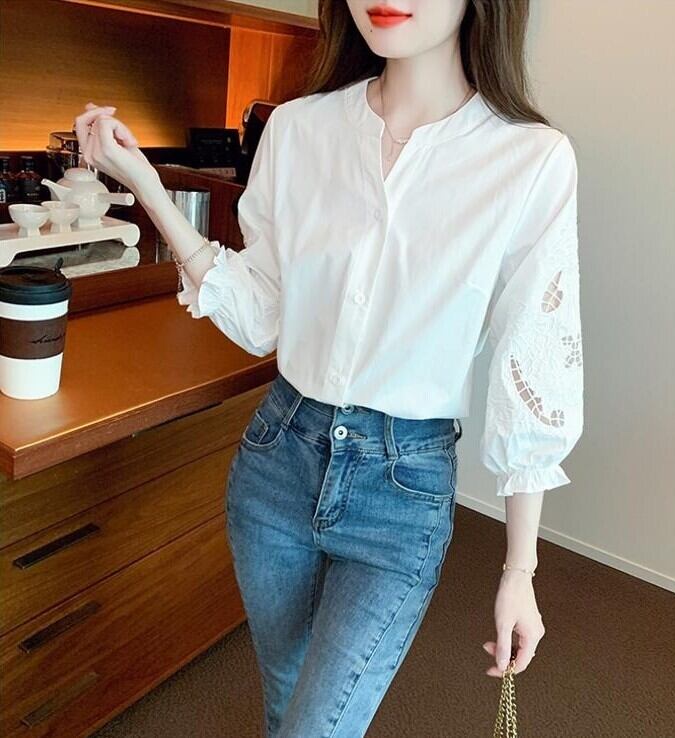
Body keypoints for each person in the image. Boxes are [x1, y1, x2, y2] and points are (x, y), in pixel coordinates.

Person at [73, 0, 584, 734]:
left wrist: (520, 570)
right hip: (277, 461)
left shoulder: (529, 159)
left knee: (317, 724)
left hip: (401, 491)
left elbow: (531, 362)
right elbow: (261, 314)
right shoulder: (298, 129)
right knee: (286, 697)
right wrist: (143, 180)